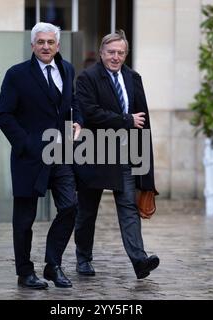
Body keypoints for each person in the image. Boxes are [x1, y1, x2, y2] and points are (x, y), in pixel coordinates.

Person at [0, 22, 82, 289]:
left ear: (58, 45)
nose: (46, 47)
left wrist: (78, 120)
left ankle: (52, 264)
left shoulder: (67, 69)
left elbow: (73, 101)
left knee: (69, 206)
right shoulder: (17, 74)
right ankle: (25, 272)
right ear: (33, 45)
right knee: (24, 218)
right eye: (41, 42)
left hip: (61, 154)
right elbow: (3, 115)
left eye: (50, 42)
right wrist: (27, 145)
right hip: (29, 157)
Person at [74, 30, 159, 280]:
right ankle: (83, 258)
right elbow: (90, 113)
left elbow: (143, 120)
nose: (116, 57)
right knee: (88, 210)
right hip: (96, 152)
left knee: (129, 209)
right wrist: (125, 120)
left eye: (121, 52)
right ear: (101, 53)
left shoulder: (133, 78)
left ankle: (139, 261)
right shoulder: (87, 78)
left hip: (126, 153)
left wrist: (146, 161)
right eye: (111, 52)